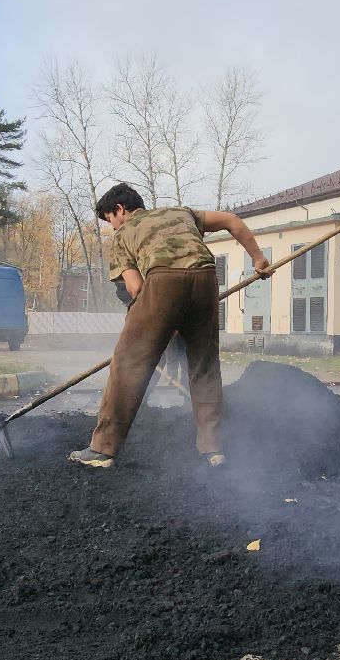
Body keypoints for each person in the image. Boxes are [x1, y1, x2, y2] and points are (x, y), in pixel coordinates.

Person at [70, 183, 270, 468]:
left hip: (163, 282)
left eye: (110, 220)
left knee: (128, 363)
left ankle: (103, 449)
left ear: (120, 210)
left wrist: (160, 318)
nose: (112, 227)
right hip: (206, 278)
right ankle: (212, 448)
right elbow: (231, 221)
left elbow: (136, 287)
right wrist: (258, 259)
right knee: (204, 366)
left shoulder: (124, 234)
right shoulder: (182, 213)